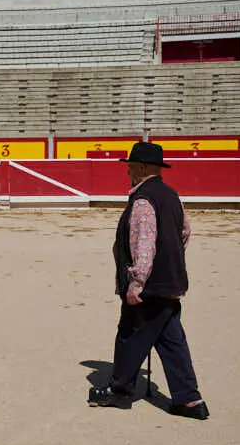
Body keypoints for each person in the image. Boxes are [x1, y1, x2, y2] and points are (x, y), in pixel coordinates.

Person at [88, 141, 209, 420]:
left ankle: (120, 391)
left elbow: (144, 244)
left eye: (130, 166)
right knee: (171, 341)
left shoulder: (143, 199)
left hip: (150, 287)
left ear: (142, 168)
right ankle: (190, 401)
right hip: (171, 283)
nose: (127, 171)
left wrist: (137, 282)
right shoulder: (172, 195)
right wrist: (170, 263)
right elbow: (184, 233)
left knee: (131, 334)